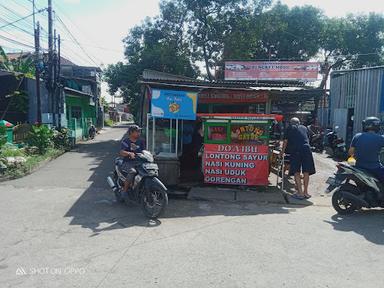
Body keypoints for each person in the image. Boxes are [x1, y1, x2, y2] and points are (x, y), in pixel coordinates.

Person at [282, 117, 316, 200]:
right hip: (307, 149)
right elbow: (307, 138)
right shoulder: (304, 128)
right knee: (306, 171)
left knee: (296, 171)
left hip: (296, 150)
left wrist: (282, 152)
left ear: (291, 123)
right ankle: (306, 193)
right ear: (299, 122)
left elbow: (285, 142)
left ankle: (300, 193)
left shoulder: (289, 128)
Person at [348, 117, 384, 182]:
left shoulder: (357, 136)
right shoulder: (380, 138)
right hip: (374, 167)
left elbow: (350, 152)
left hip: (358, 166)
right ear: (377, 126)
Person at [119, 125, 145, 196]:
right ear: (131, 132)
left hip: (139, 162)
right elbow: (121, 152)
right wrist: (129, 153)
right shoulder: (126, 141)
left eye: (139, 131)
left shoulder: (141, 141)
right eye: (137, 131)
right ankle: (124, 191)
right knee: (132, 172)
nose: (139, 133)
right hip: (128, 162)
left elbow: (144, 151)